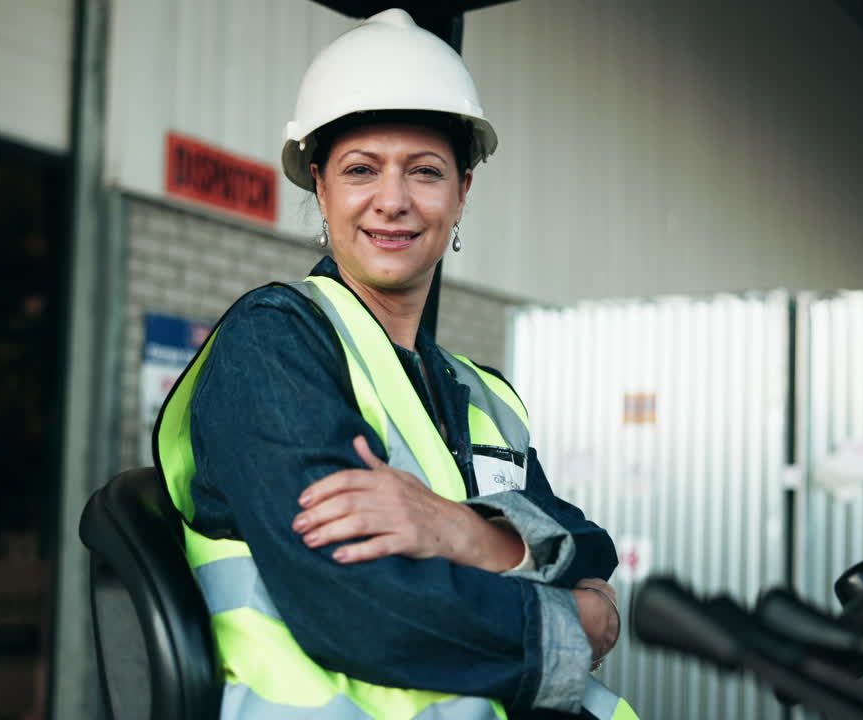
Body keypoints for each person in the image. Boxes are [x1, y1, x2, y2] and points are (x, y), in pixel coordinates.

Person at [154, 9, 637, 719]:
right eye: (360, 170)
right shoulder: (274, 344)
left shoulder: (482, 395)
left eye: (425, 172)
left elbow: (587, 550)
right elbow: (362, 608)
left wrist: (459, 531)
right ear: (320, 188)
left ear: (461, 194)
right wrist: (575, 623)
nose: (392, 202)